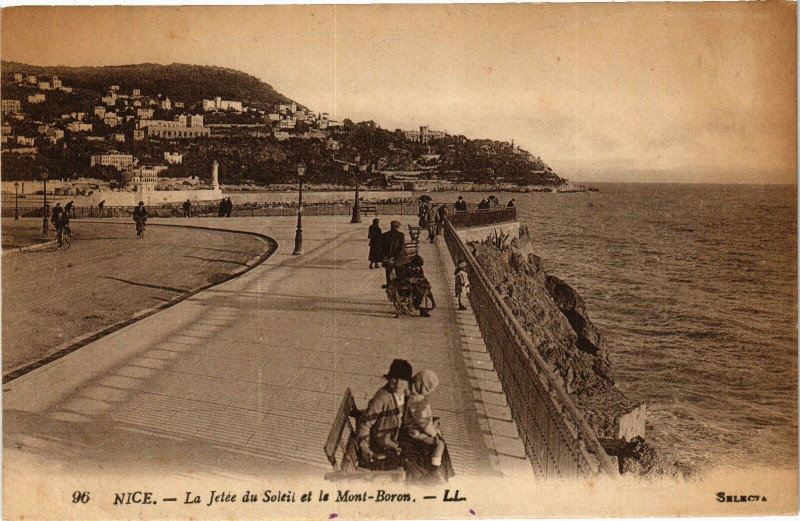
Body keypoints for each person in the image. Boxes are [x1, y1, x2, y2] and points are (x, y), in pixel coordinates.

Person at [356, 359, 413, 469]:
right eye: (395, 378)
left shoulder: (404, 393)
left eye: (403, 379)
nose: (398, 383)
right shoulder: (382, 398)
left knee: (433, 444)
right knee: (420, 457)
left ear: (407, 382)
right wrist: (365, 448)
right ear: (389, 378)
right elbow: (364, 424)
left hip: (396, 438)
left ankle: (438, 475)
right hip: (383, 445)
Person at [400, 370, 455, 483]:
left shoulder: (409, 396)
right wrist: (434, 432)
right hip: (414, 432)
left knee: (438, 436)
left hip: (408, 428)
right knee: (439, 443)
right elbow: (424, 424)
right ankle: (435, 471)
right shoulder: (419, 402)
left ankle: (441, 472)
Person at [380, 220, 405, 287]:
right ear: (397, 227)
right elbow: (401, 248)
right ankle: (398, 286)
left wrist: (385, 256)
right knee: (398, 273)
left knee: (388, 273)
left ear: (391, 227)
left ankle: (389, 285)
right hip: (397, 258)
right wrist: (395, 256)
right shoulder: (401, 235)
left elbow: (381, 248)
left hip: (387, 258)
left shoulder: (384, 235)